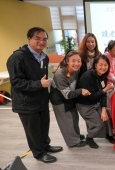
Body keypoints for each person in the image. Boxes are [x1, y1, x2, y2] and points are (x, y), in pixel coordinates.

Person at [6, 27, 62, 163]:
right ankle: (39, 153)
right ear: (29, 38)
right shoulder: (17, 57)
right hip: (26, 102)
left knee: (44, 125)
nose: (41, 42)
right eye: (37, 38)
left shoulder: (44, 57)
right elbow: (16, 81)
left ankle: (45, 145)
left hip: (41, 99)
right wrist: (38, 84)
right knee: (33, 130)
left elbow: (43, 77)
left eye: (44, 39)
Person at [50, 50, 90, 148]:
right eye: (73, 61)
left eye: (79, 61)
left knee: (74, 117)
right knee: (66, 120)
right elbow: (67, 94)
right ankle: (73, 142)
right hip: (59, 100)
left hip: (71, 96)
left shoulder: (76, 70)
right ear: (67, 61)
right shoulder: (60, 75)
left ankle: (75, 136)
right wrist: (81, 91)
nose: (76, 64)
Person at [76, 55, 115, 148]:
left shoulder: (103, 76)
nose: (103, 67)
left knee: (107, 117)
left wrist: (104, 109)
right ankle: (89, 137)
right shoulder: (87, 77)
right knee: (98, 124)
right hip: (84, 104)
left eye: (105, 65)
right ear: (95, 65)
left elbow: (103, 94)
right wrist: (106, 89)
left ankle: (108, 135)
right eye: (100, 65)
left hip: (96, 102)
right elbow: (91, 97)